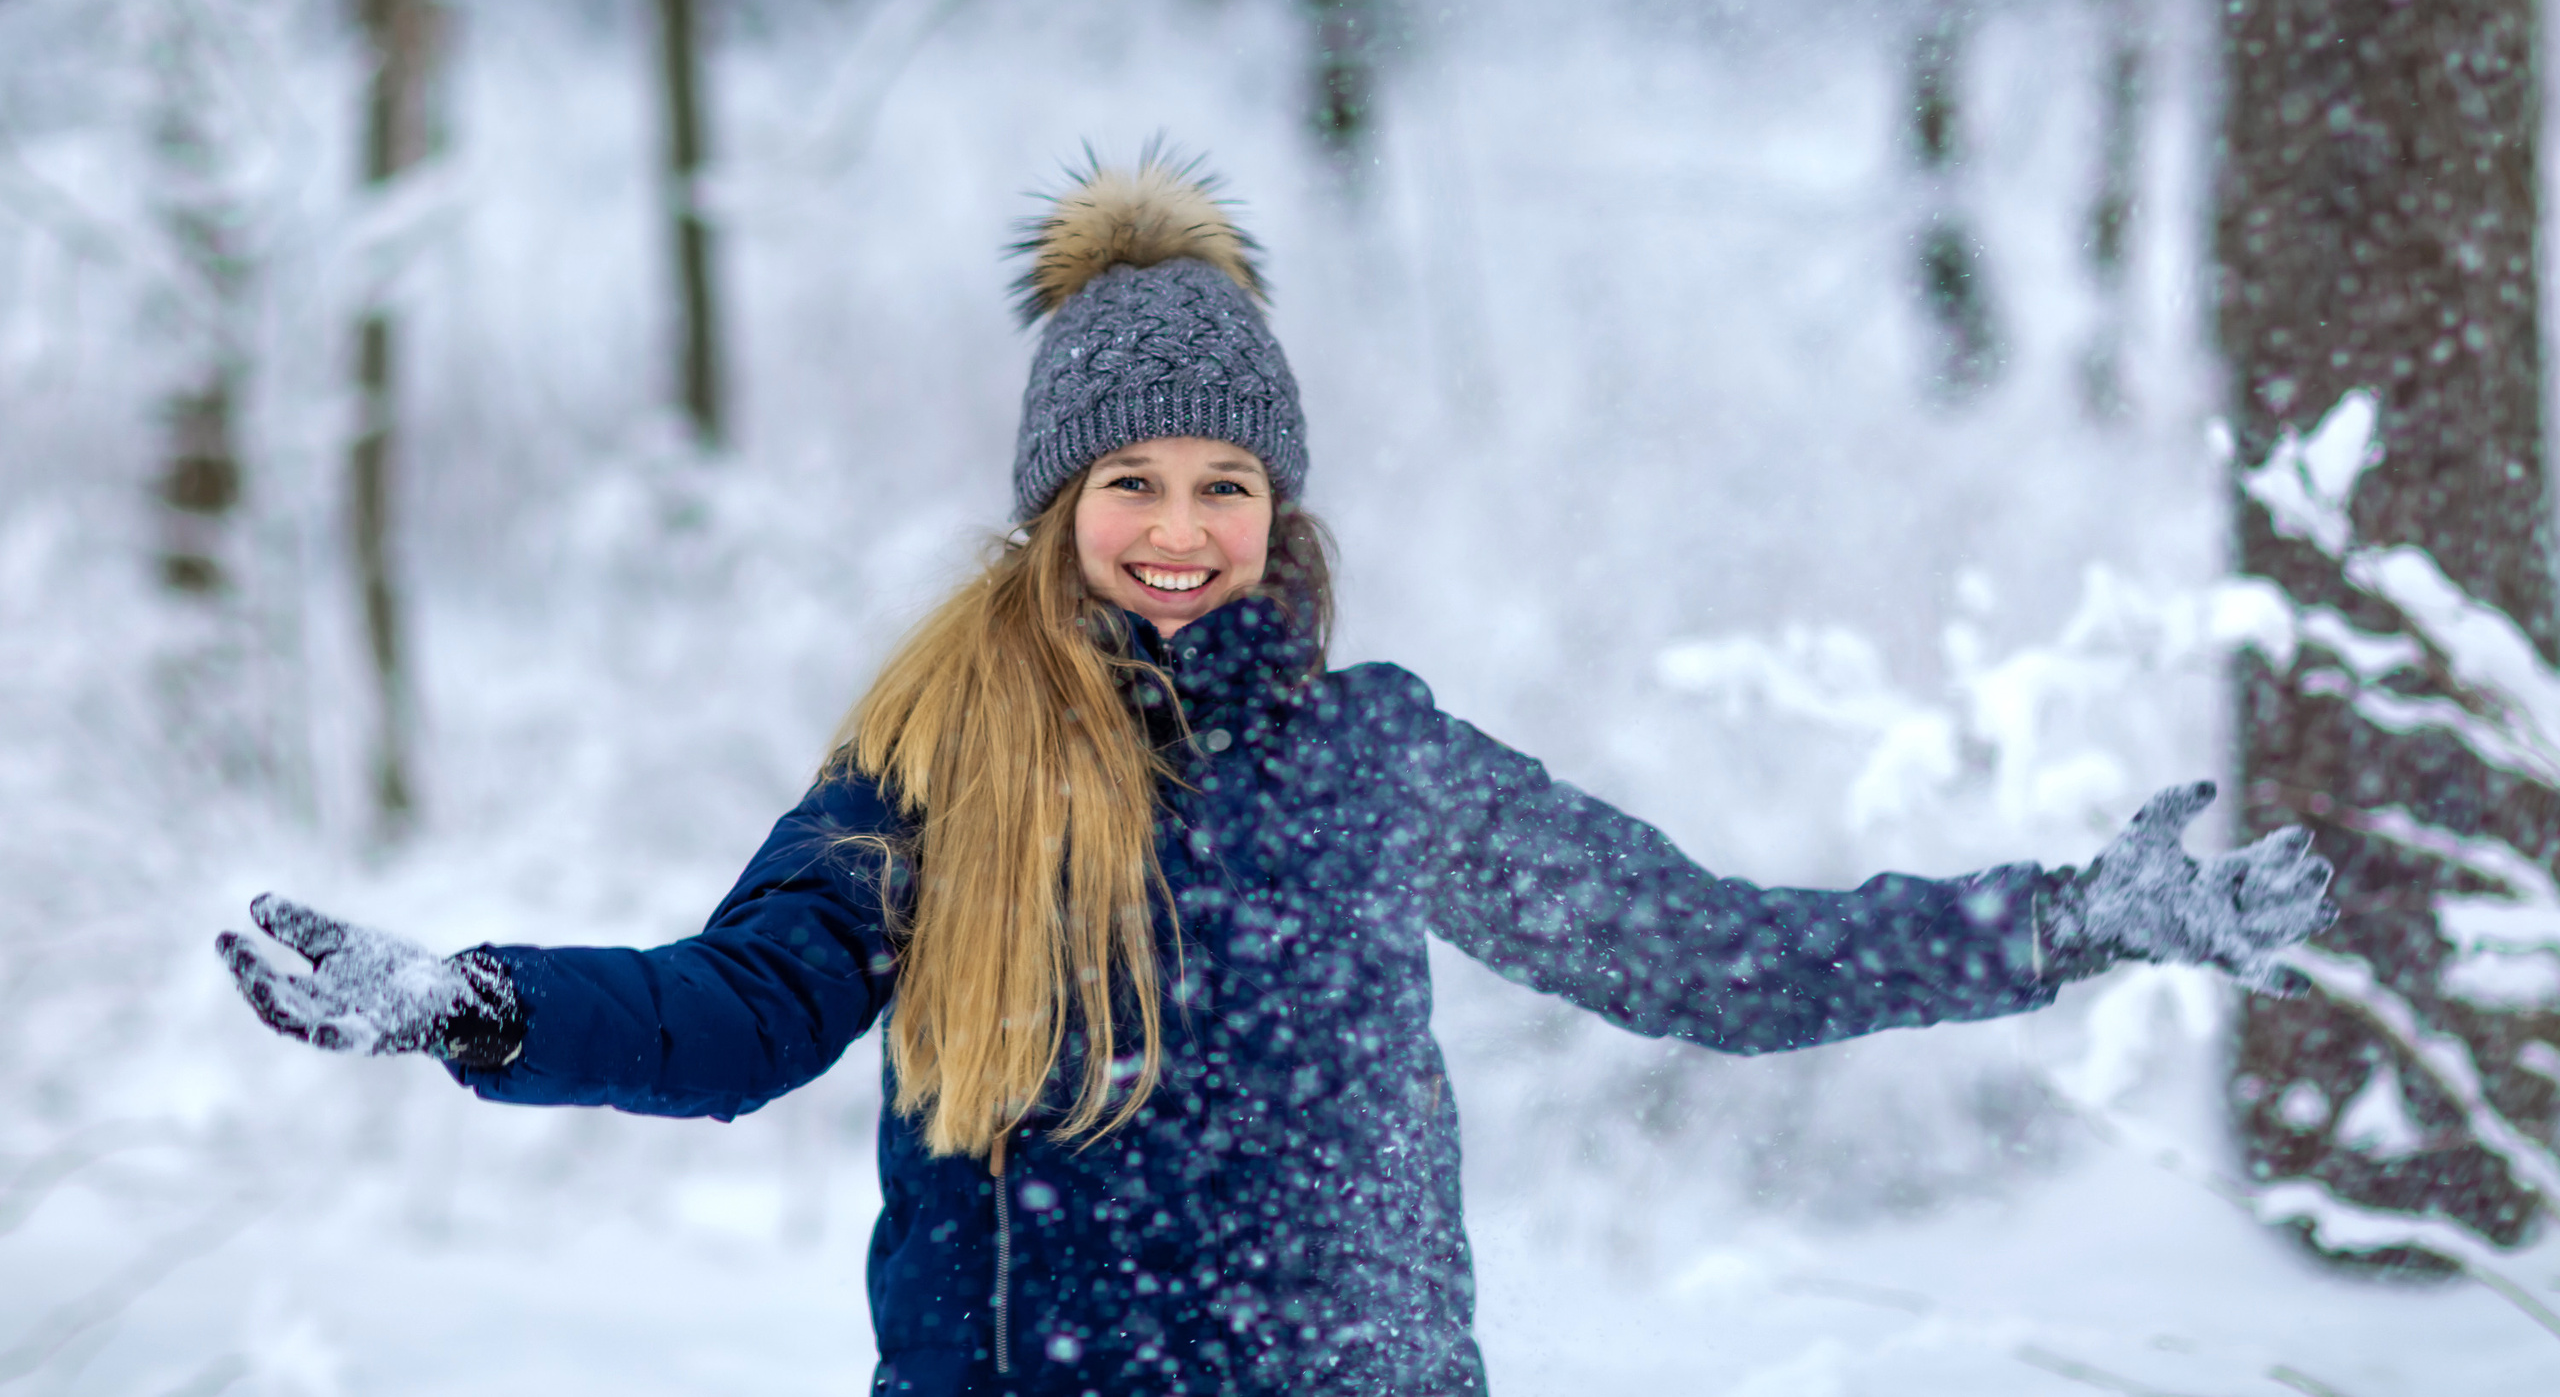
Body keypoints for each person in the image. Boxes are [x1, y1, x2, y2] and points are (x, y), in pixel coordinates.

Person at [218, 154, 2337, 1397]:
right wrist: (470, 997)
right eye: (1126, 476)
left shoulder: (1371, 753)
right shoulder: (936, 760)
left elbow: (1705, 952)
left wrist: (2069, 915)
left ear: (1277, 499)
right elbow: (737, 1007)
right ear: (1056, 499)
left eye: (1219, 477)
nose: (1174, 523)